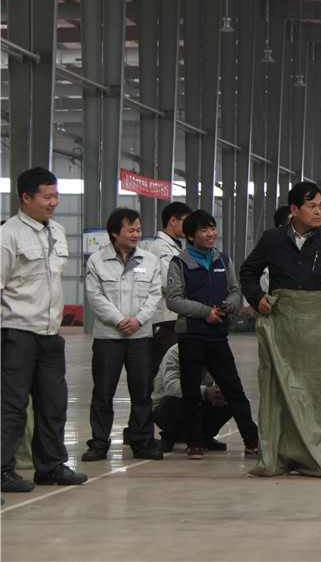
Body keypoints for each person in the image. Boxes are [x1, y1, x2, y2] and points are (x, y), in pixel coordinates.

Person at [239, 182, 321, 476]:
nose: (319, 212)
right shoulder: (272, 240)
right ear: (294, 209)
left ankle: (313, 454)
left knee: (316, 392)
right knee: (278, 389)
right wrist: (257, 298)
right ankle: (278, 454)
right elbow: (248, 271)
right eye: (312, 206)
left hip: (317, 332)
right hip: (281, 328)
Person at [1, 168, 87, 492]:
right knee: (12, 407)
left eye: (56, 195)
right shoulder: (8, 235)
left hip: (51, 335)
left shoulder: (58, 232)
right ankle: (3, 469)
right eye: (47, 196)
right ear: (26, 197)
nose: (54, 202)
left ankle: (50, 467)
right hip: (17, 333)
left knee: (53, 404)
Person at [166, 210, 259, 460]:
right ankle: (195, 441)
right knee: (190, 392)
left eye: (212, 228)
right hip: (192, 336)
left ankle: (252, 439)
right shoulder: (179, 263)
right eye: (204, 230)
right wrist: (205, 312)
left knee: (234, 389)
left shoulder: (223, 261)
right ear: (191, 236)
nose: (211, 234)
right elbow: (173, 300)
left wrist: (231, 305)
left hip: (218, 337)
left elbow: (235, 290)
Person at [82, 207, 164, 462]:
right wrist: (119, 320)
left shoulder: (150, 261)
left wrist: (138, 320)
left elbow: (155, 295)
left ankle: (142, 440)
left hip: (140, 337)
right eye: (131, 230)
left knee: (142, 391)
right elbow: (95, 296)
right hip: (108, 337)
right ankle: (99, 442)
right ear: (115, 233)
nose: (136, 234)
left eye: (138, 230)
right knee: (103, 392)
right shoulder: (97, 261)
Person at [152, 344, 231, 453]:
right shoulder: (175, 352)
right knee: (174, 400)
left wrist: (219, 393)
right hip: (166, 408)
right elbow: (171, 387)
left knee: (230, 400)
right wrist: (206, 391)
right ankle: (169, 437)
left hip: (198, 404)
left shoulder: (216, 352)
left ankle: (205, 437)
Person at [146, 201, 192, 381]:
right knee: (161, 371)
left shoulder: (174, 246)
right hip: (165, 320)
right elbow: (169, 282)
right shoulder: (161, 248)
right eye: (186, 221)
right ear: (173, 221)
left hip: (174, 317)